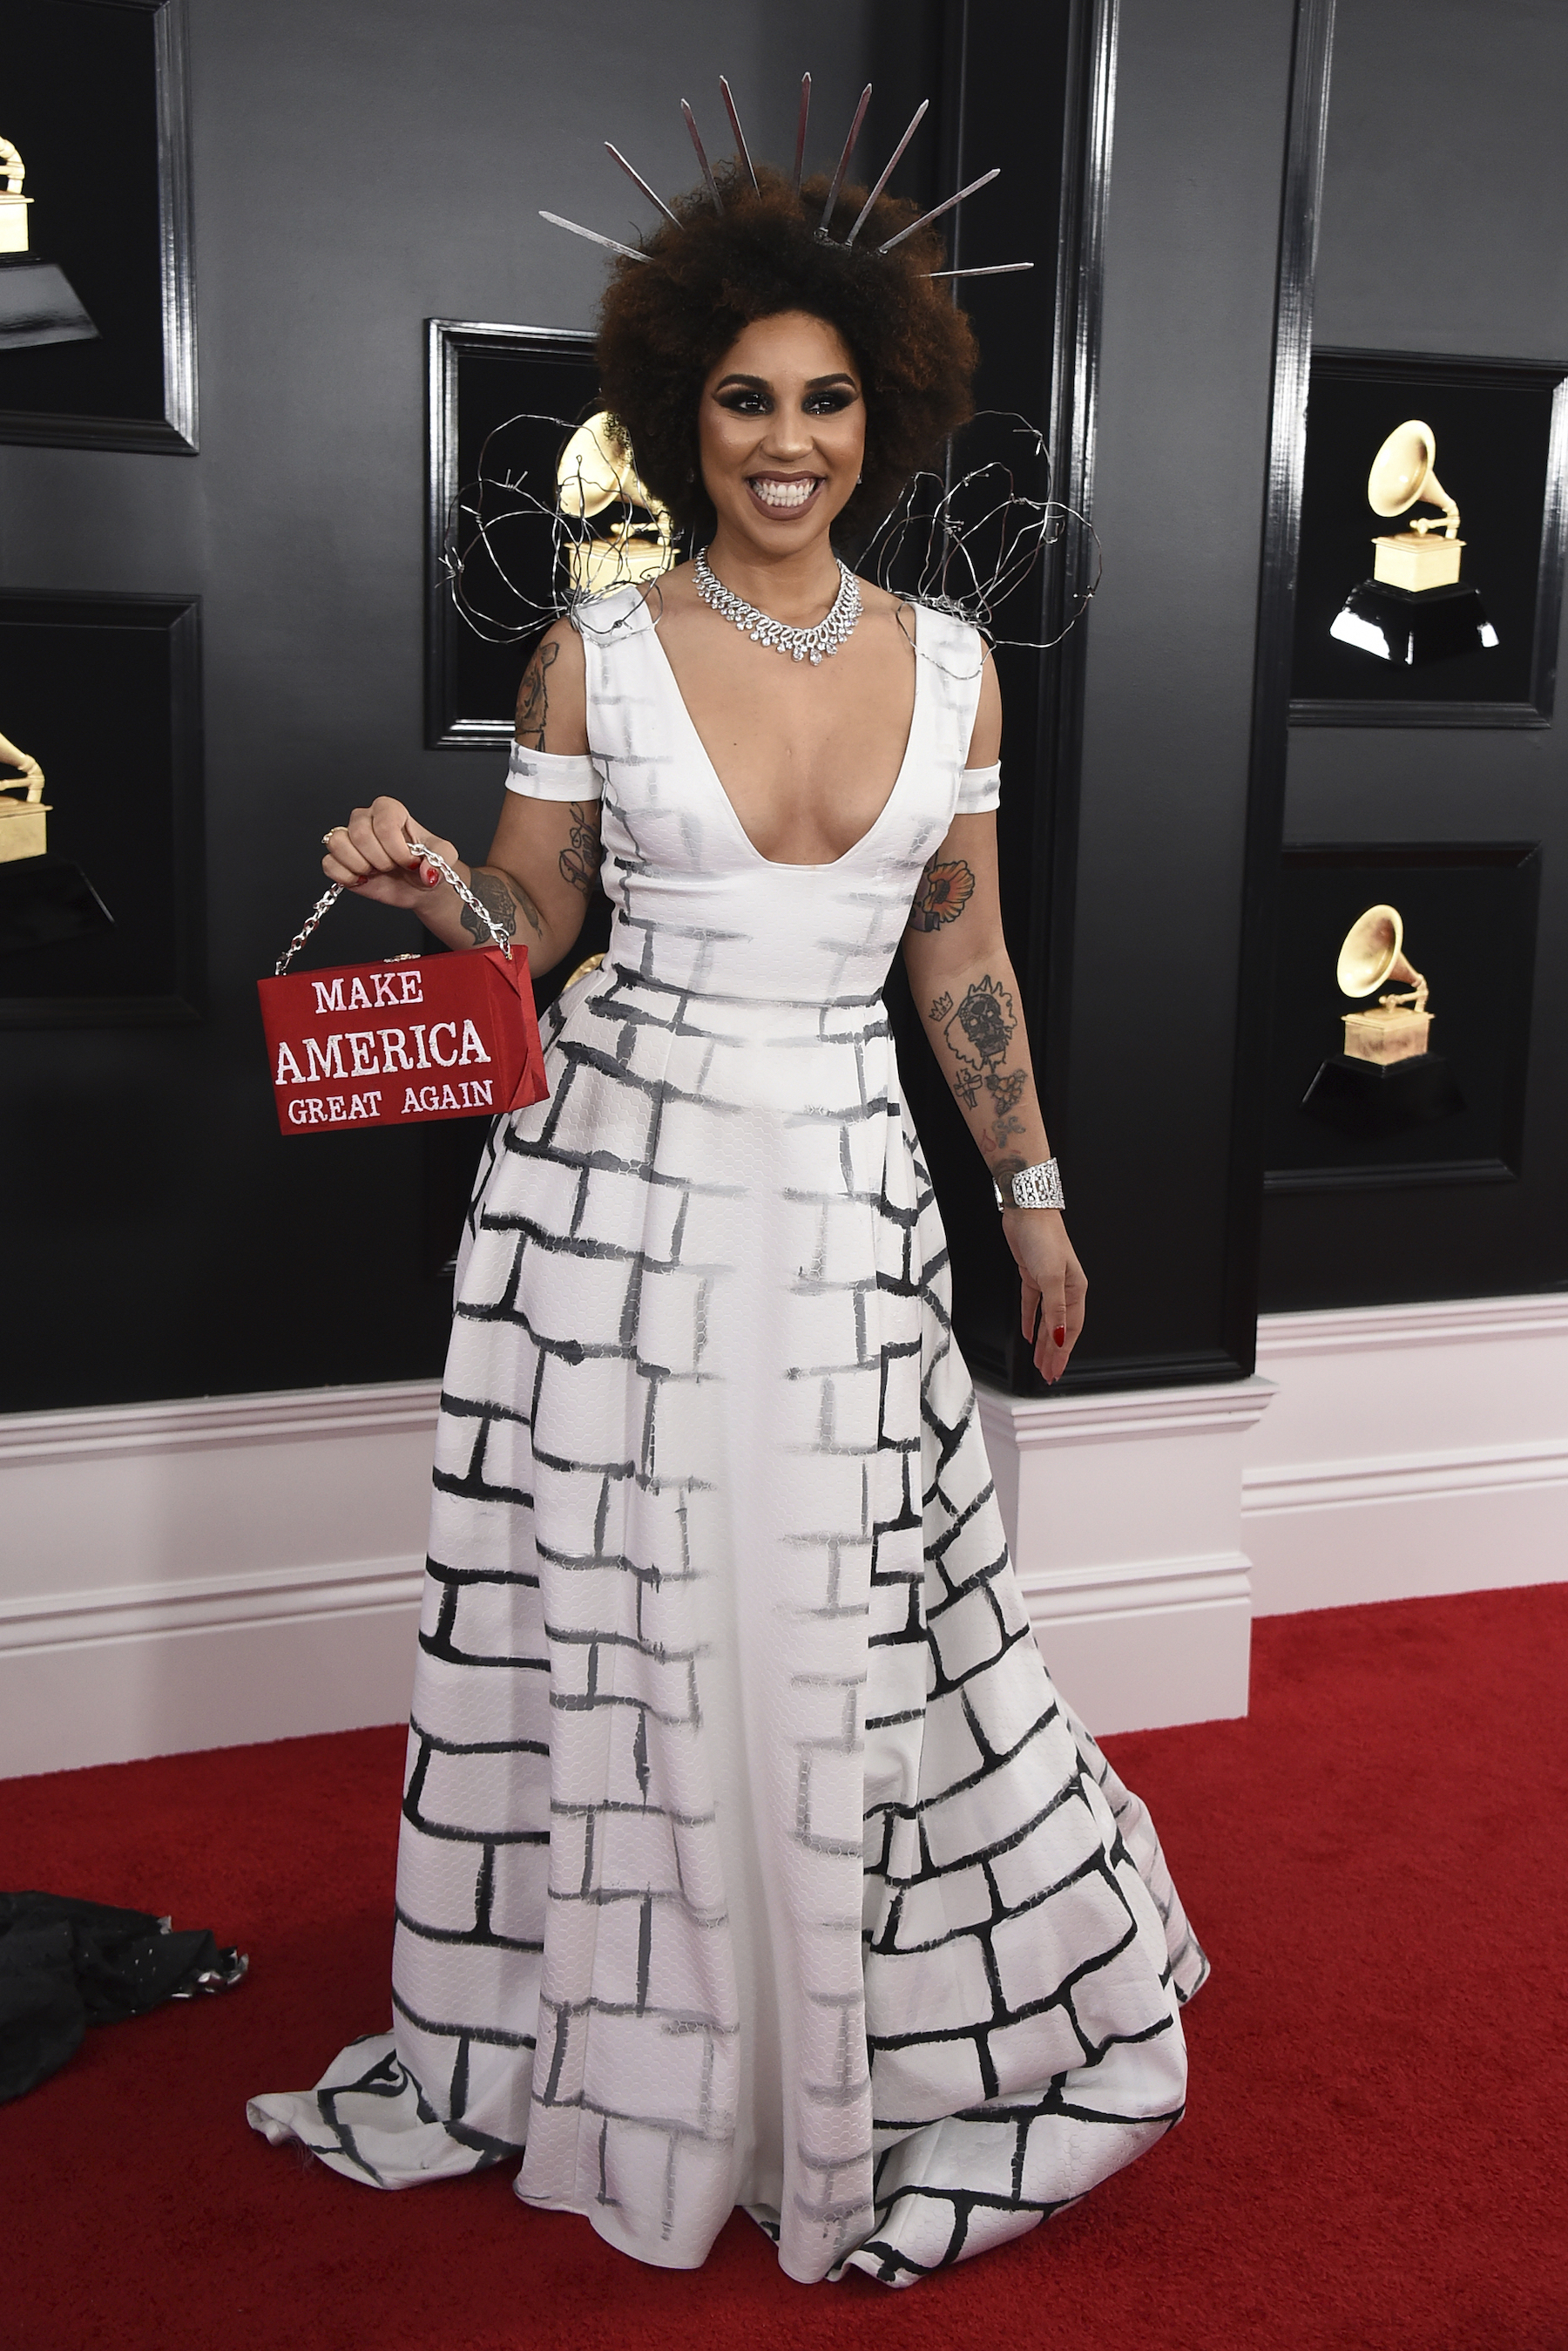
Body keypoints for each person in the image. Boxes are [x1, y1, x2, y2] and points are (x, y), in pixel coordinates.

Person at [249, 149, 1206, 2289]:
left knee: (851, 1618)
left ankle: (830, 2040)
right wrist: (435, 900)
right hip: (619, 1206)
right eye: (749, 401)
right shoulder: (593, 651)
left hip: (853, 1191)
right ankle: (648, 2036)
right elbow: (540, 915)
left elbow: (962, 957)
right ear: (686, 410)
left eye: (829, 402)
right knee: (637, 1620)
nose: (787, 443)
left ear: (888, 420)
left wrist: (1032, 1203)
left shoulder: (956, 665)